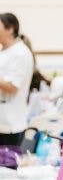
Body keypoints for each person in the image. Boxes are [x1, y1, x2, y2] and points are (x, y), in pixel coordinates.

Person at [0, 12, 35, 146]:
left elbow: (12, 87)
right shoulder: (4, 52)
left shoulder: (20, 53)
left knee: (7, 166)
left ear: (10, 29)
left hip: (10, 126)